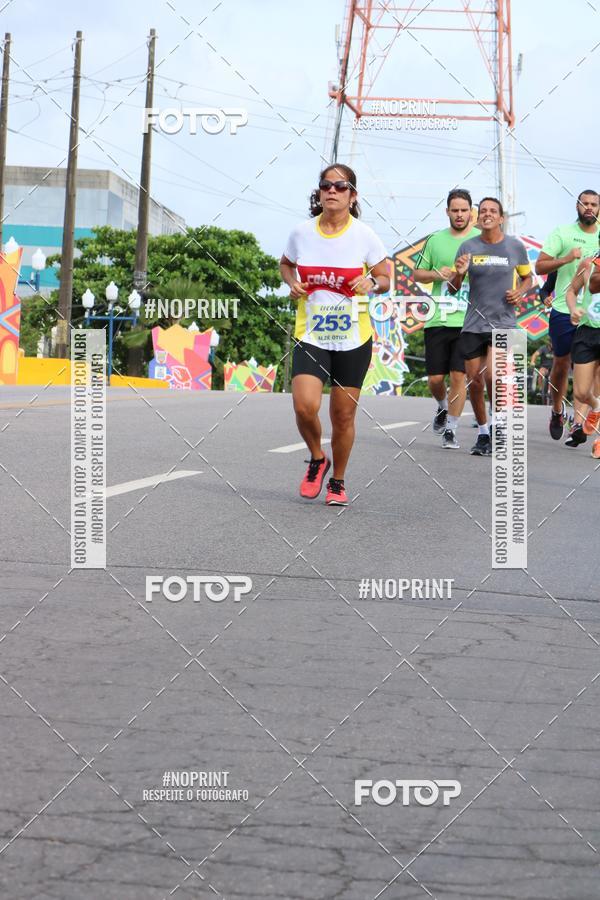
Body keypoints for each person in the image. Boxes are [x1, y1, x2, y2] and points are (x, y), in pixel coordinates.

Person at [280, 164, 390, 505]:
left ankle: (338, 481)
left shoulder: (365, 236)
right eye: (326, 185)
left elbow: (386, 277)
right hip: (311, 333)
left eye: (340, 187)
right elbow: (286, 264)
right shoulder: (301, 233)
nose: (332, 191)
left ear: (352, 195)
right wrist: (292, 283)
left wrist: (371, 282)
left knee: (342, 416)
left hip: (353, 338)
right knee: (304, 406)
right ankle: (317, 458)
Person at [448, 197, 533, 456]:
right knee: (475, 382)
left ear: (501, 218)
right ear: (478, 217)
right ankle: (484, 433)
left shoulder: (514, 247)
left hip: (503, 322)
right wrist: (459, 272)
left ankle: (497, 427)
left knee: (492, 376)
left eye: (492, 211)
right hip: (473, 324)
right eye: (483, 211)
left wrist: (519, 292)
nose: (487, 214)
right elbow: (452, 289)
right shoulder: (467, 246)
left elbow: (528, 278)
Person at [413, 188, 478, 449]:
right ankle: (442, 407)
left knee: (458, 376)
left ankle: (451, 429)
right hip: (438, 317)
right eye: (455, 210)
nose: (460, 214)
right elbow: (417, 274)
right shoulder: (435, 240)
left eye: (464, 210)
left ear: (470, 212)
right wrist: (436, 275)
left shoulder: (481, 240)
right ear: (447, 212)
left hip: (469, 320)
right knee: (435, 380)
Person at [535, 190, 600, 443]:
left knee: (593, 370)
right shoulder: (561, 232)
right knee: (561, 365)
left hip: (592, 317)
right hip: (564, 308)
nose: (589, 208)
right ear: (577, 206)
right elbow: (540, 266)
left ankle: (579, 423)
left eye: (594, 204)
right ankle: (557, 411)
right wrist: (566, 258)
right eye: (585, 203)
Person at [567, 254, 600, 458]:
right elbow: (571, 291)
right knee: (580, 392)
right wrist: (573, 309)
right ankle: (596, 406)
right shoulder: (588, 263)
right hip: (587, 332)